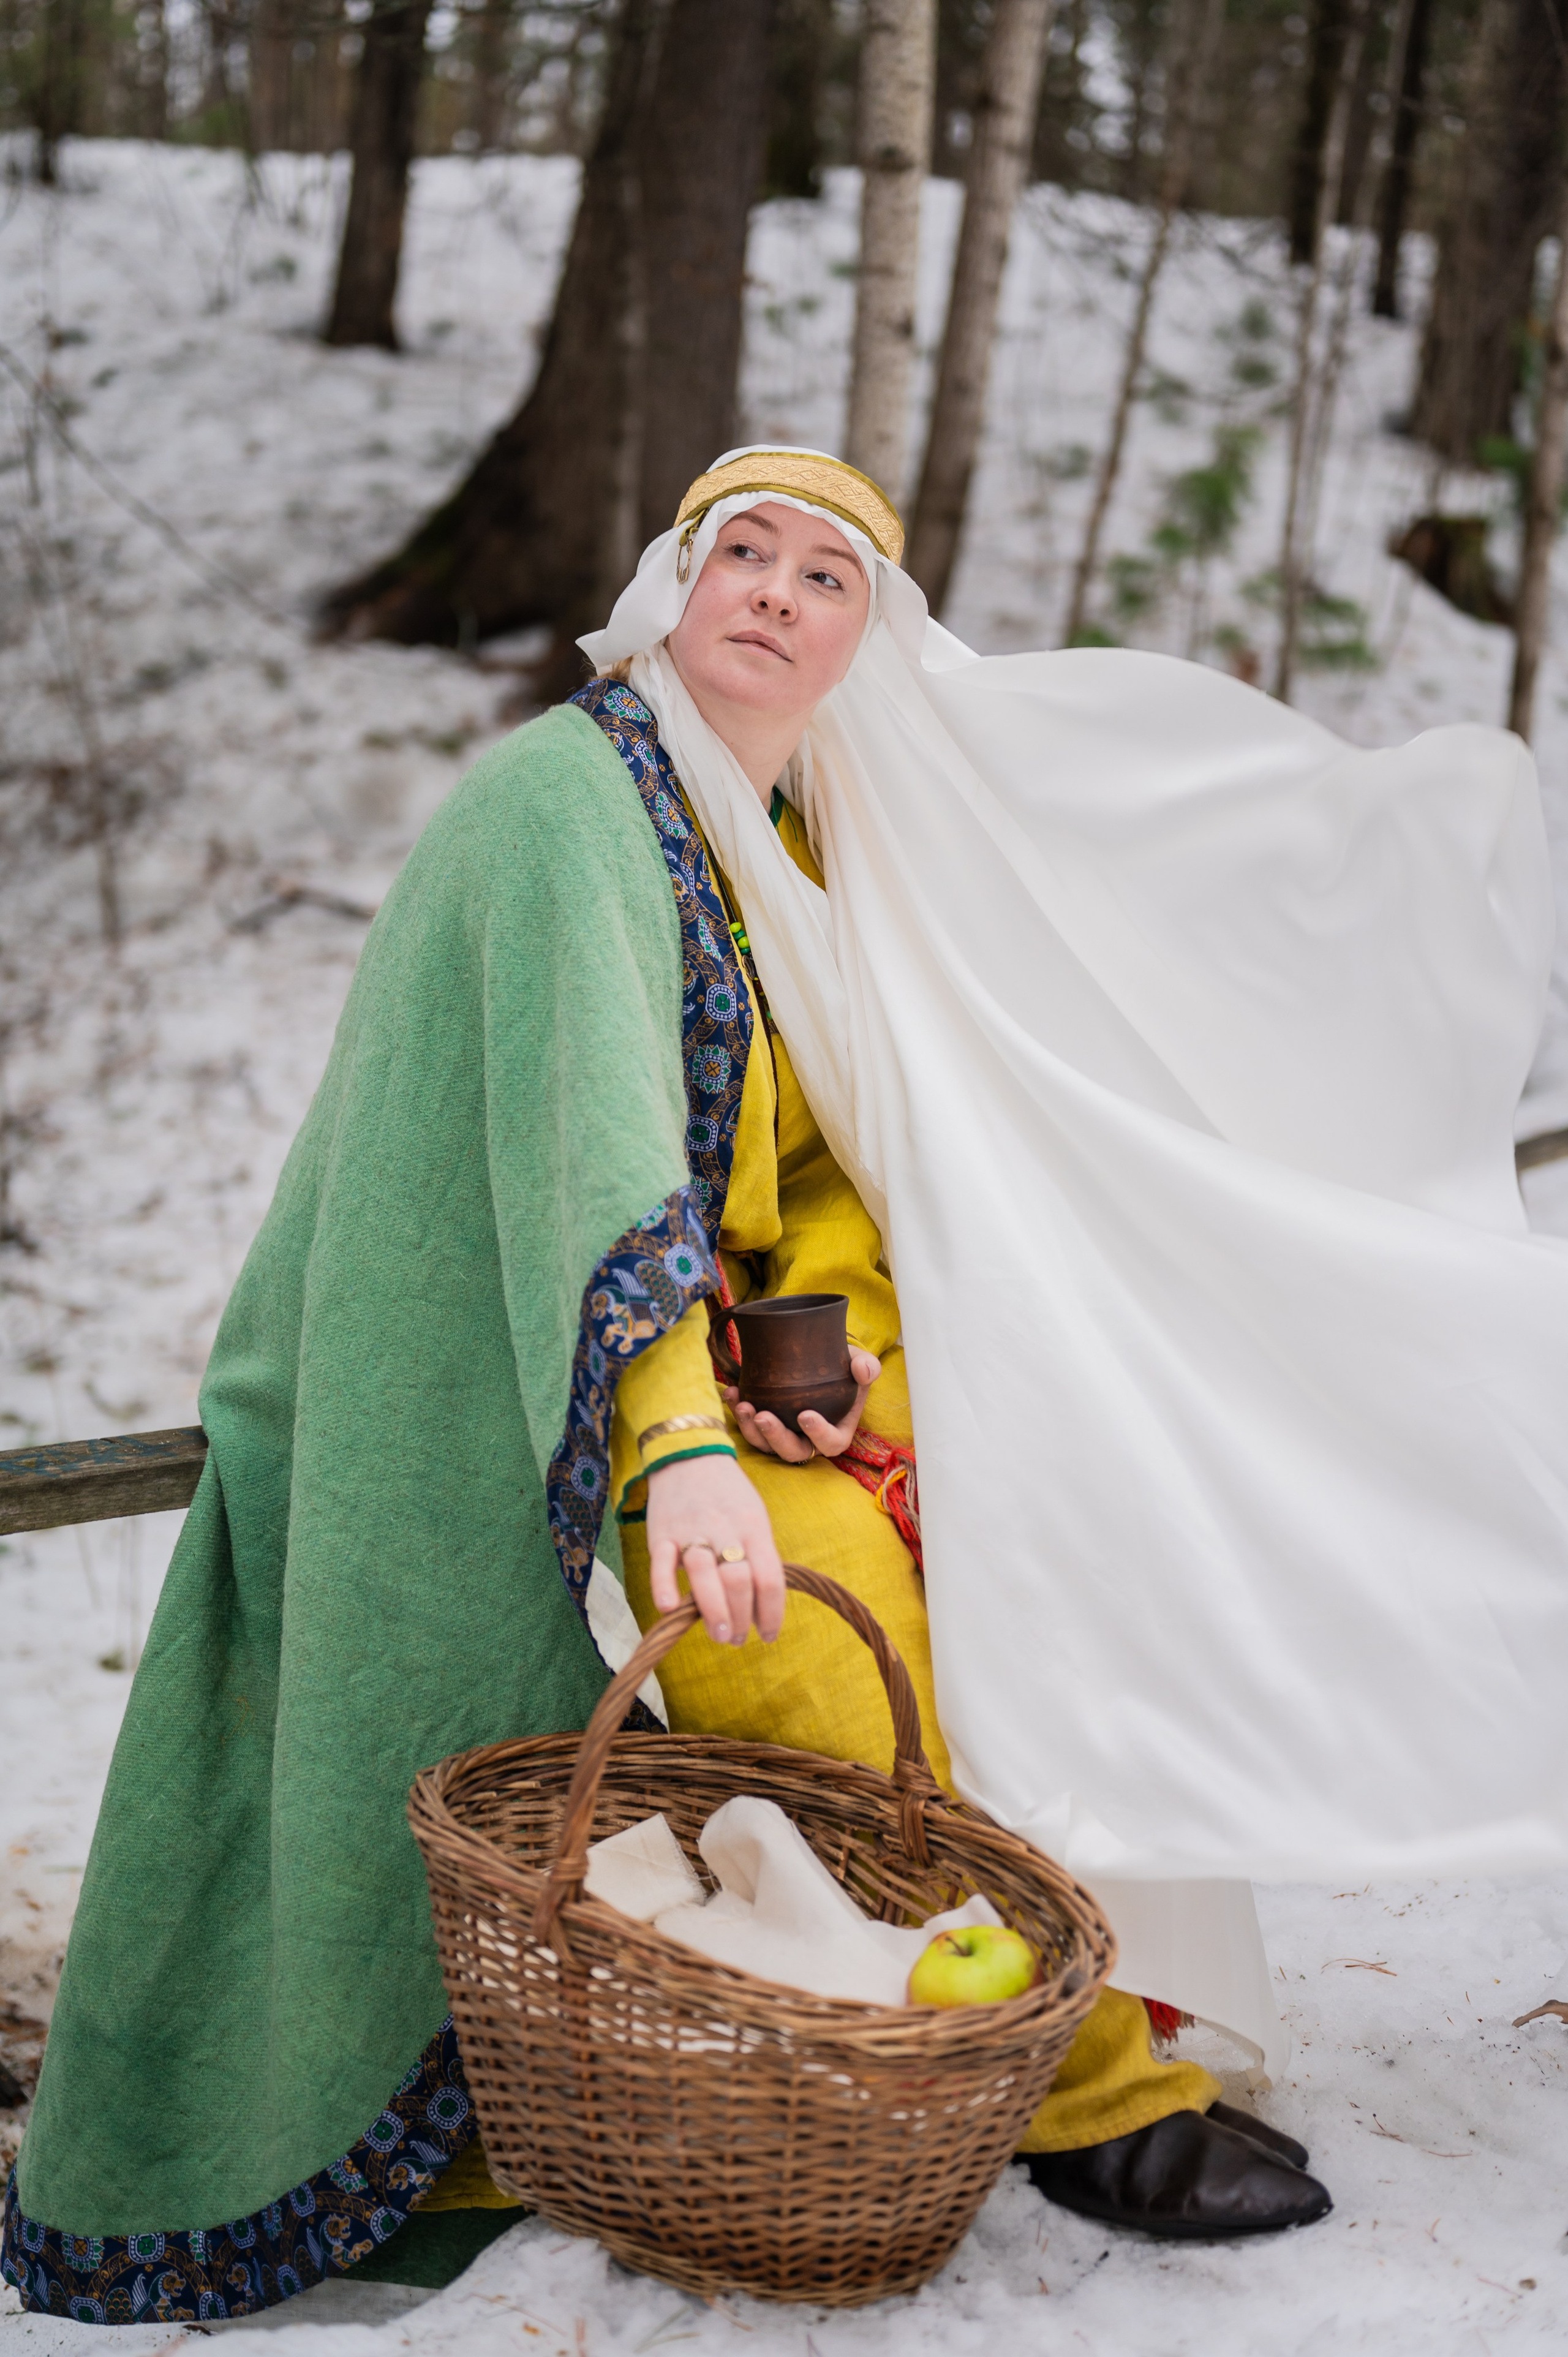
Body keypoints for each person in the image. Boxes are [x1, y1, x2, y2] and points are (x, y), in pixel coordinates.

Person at [8, 443, 1565, 2321]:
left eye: (825, 576)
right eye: (739, 551)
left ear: (867, 644)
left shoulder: (792, 851)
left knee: (1045, 1506)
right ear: (673, 588)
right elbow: (593, 1164)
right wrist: (681, 1448)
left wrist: (833, 1366)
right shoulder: (566, 801)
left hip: (677, 1360)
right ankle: (1081, 2099)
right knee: (804, 1631)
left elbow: (813, 1175)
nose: (773, 589)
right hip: (479, 1372)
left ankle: (1034, 1990)